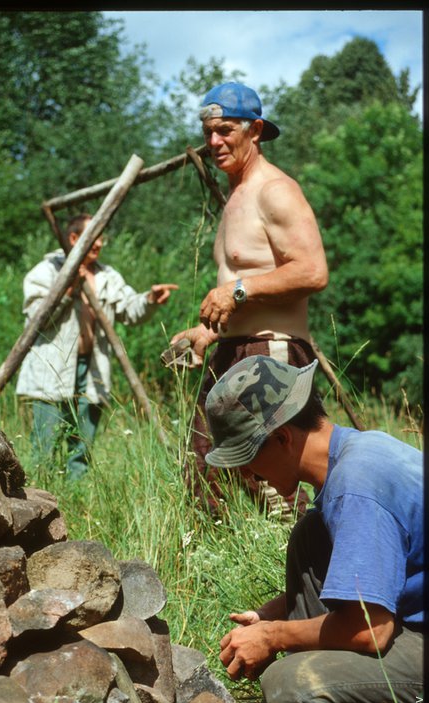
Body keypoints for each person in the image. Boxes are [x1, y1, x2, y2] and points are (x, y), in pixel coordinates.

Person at [204, 353, 424, 703]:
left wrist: (272, 637)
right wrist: (274, 614)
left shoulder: (356, 487)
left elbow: (370, 631)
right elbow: (370, 575)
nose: (247, 473)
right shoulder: (356, 452)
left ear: (283, 437)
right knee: (310, 536)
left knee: (290, 689)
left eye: (247, 456)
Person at [171, 82, 328, 515]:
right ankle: (205, 576)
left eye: (225, 130)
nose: (214, 142)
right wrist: (206, 332)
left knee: (282, 487)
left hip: (271, 353)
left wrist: (237, 291)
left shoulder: (274, 190)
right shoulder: (236, 196)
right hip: (231, 352)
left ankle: (306, 575)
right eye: (208, 133)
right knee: (205, 477)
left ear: (255, 130)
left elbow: (313, 271)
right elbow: (245, 279)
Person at [16, 213, 178, 478]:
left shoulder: (107, 276)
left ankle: (77, 504)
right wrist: (69, 290)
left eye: (102, 236)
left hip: (93, 370)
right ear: (73, 238)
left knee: (81, 449)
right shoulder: (46, 271)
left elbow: (129, 310)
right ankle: (39, 503)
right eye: (94, 236)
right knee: (44, 447)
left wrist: (150, 299)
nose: (100, 243)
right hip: (51, 371)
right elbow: (37, 318)